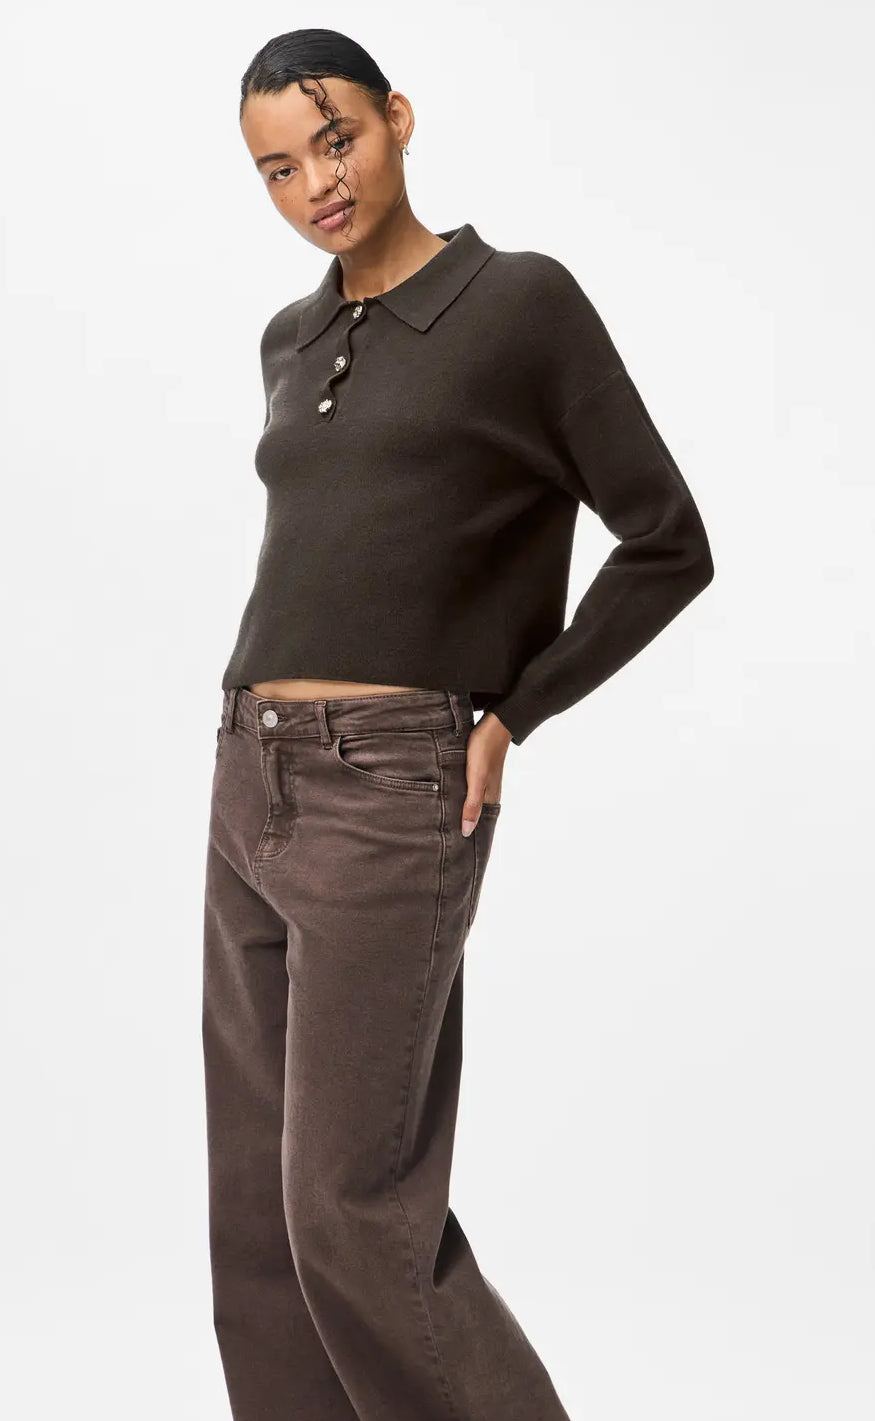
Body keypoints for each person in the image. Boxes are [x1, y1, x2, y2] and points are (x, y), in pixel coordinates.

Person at [202, 25, 715, 1421]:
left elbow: (667, 540)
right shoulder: (291, 336)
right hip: (247, 780)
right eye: (278, 169)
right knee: (259, 1219)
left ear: (398, 118)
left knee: (353, 1211)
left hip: (394, 788)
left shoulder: (517, 303)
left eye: (335, 140)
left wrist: (517, 712)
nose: (316, 183)